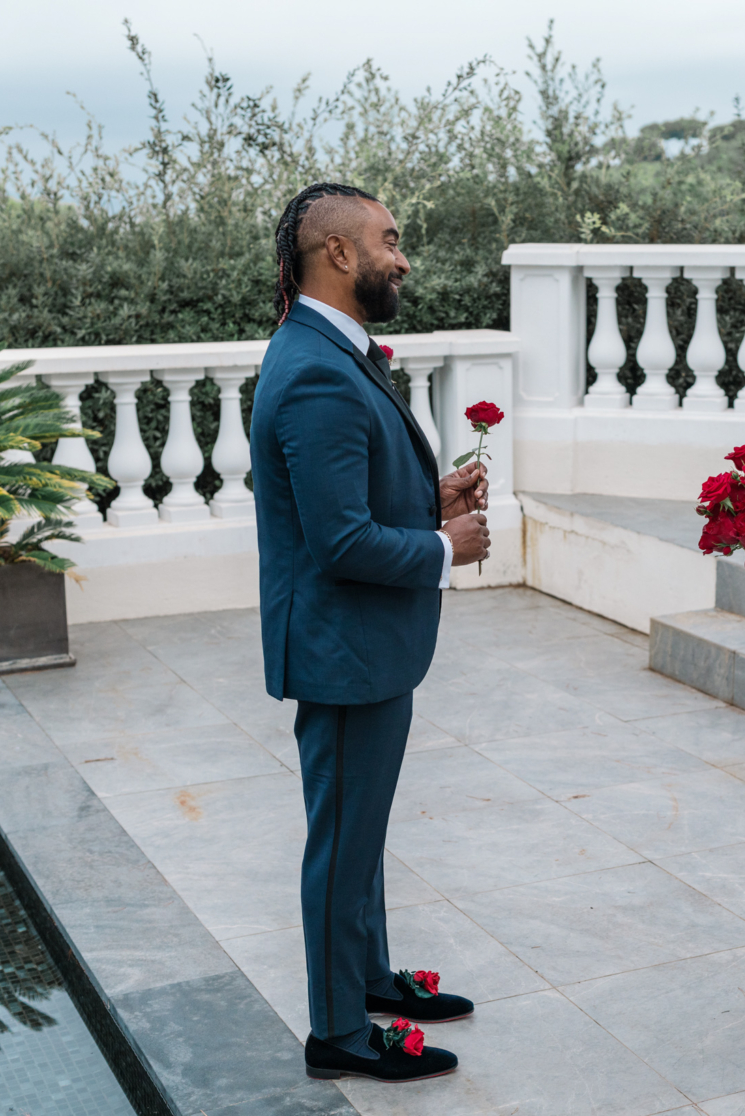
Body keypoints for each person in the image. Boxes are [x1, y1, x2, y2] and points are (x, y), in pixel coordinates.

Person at [250, 182, 490, 1083]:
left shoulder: (329, 349)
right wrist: (441, 545)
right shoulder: (314, 367)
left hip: (361, 644)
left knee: (362, 826)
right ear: (339, 255)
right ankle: (339, 1033)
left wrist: (429, 500)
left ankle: (371, 978)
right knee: (343, 837)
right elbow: (339, 542)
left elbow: (344, 504)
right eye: (389, 239)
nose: (402, 255)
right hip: (343, 649)